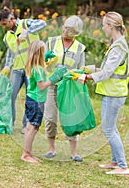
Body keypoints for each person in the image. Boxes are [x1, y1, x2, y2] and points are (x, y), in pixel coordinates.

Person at [71, 12, 129, 174]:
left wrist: (86, 77)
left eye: (104, 25)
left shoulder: (119, 47)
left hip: (115, 93)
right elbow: (106, 69)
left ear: (111, 26)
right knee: (111, 127)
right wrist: (88, 69)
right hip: (111, 92)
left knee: (109, 129)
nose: (103, 28)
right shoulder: (117, 44)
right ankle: (115, 161)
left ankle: (123, 166)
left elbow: (107, 73)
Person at [0, 8, 46, 133]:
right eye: (1, 24)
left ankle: (26, 125)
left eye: (4, 24)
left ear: (12, 20)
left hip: (32, 68)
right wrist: (7, 66)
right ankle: (9, 123)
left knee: (30, 97)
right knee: (10, 96)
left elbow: (42, 23)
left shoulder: (25, 23)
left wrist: (27, 32)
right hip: (17, 68)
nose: (3, 27)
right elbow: (10, 52)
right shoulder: (7, 36)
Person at [44, 15, 86, 162]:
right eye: (64, 28)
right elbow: (40, 61)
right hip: (51, 86)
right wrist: (44, 59)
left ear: (74, 33)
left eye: (68, 30)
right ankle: (51, 149)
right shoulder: (51, 42)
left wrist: (74, 76)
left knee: (70, 119)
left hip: (68, 87)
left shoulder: (80, 48)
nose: (64, 31)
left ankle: (74, 153)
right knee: (50, 118)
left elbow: (81, 69)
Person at [20, 40, 67, 163]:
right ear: (39, 53)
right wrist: (55, 77)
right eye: (43, 51)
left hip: (32, 99)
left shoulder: (33, 66)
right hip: (36, 101)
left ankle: (28, 152)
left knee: (31, 126)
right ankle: (25, 154)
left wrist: (44, 61)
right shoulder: (38, 69)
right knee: (33, 127)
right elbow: (42, 86)